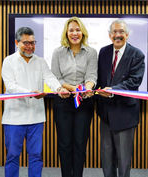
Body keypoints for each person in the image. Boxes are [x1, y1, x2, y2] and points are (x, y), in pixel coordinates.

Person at [2, 27, 67, 177]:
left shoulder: (40, 61)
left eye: (32, 43)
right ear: (16, 42)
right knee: (12, 156)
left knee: (36, 156)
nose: (30, 46)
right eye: (26, 43)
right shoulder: (8, 61)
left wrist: (59, 88)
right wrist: (30, 93)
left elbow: (50, 78)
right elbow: (10, 86)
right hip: (14, 118)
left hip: (36, 117)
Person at [96, 19, 145, 177]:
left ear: (127, 34)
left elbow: (134, 81)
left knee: (123, 160)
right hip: (105, 113)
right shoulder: (103, 52)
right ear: (110, 35)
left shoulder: (137, 54)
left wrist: (112, 91)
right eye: (114, 32)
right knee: (106, 156)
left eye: (121, 32)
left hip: (125, 113)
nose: (118, 35)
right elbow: (99, 78)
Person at [51, 16, 97, 177]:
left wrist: (87, 88)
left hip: (84, 102)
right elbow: (56, 77)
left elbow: (92, 76)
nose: (75, 33)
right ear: (66, 33)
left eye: (78, 29)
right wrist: (74, 89)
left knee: (80, 143)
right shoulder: (58, 52)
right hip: (63, 101)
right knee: (64, 144)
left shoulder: (91, 52)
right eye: (71, 30)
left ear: (82, 32)